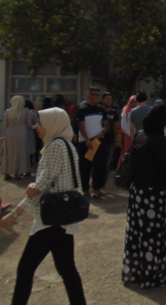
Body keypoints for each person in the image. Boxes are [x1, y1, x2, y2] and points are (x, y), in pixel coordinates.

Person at [0, 107, 87, 305]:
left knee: (26, 268)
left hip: (51, 218)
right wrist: (36, 186)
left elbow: (43, 185)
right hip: (64, 216)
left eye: (40, 123)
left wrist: (14, 214)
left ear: (52, 124)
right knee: (67, 269)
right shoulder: (67, 145)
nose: (36, 126)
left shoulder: (56, 146)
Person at [122, 104, 166, 288]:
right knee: (153, 236)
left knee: (138, 234)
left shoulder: (141, 135)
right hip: (154, 193)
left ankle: (136, 271)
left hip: (138, 191)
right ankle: (153, 275)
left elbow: (148, 157)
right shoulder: (157, 138)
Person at [75, 87, 109, 199]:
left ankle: (96, 188)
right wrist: (87, 139)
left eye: (99, 95)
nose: (98, 97)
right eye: (96, 95)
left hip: (98, 141)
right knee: (85, 166)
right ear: (90, 95)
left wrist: (101, 134)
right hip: (86, 141)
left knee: (100, 165)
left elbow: (106, 124)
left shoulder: (101, 109)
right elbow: (81, 126)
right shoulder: (83, 109)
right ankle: (85, 189)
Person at [95, 92, 120, 197]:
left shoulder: (114, 113)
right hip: (97, 140)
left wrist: (115, 139)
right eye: (107, 98)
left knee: (106, 164)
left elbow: (116, 126)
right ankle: (95, 186)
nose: (109, 100)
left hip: (109, 141)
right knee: (96, 164)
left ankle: (102, 186)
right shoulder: (98, 111)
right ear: (102, 100)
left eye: (110, 99)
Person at [2, 95, 31, 180]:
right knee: (20, 152)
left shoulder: (8, 111)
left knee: (9, 152)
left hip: (10, 133)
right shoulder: (25, 111)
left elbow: (4, 124)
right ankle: (16, 173)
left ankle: (7, 172)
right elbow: (29, 124)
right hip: (22, 133)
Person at [118, 95, 137, 167]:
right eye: (131, 102)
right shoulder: (125, 111)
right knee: (126, 153)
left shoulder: (138, 111)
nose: (132, 104)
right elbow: (123, 126)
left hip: (136, 135)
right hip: (127, 135)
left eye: (134, 102)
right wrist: (130, 134)